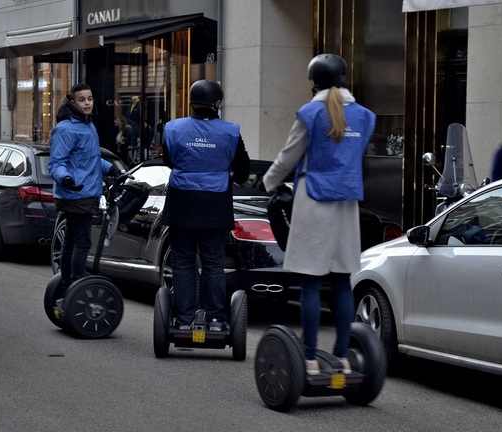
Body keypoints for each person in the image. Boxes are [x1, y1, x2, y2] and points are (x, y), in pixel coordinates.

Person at [261, 54, 376, 375]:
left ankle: (309, 359)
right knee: (342, 283)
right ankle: (341, 357)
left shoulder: (310, 112)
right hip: (347, 205)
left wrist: (267, 182)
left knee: (310, 284)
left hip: (314, 201)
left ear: (314, 81)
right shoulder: (365, 117)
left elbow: (288, 157)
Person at [161, 79, 250, 332]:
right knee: (213, 262)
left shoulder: (173, 128)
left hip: (182, 203)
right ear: (217, 103)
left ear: (191, 101)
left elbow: (169, 160)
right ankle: (215, 320)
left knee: (183, 262)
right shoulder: (230, 131)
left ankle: (184, 318)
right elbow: (243, 172)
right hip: (214, 205)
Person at [48, 83, 118, 302]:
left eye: (90, 98)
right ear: (72, 102)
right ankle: (76, 281)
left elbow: (89, 159)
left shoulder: (88, 125)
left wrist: (110, 168)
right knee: (83, 242)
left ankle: (69, 280)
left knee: (71, 239)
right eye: (82, 99)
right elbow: (56, 163)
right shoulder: (66, 128)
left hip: (86, 191)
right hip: (76, 192)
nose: (87, 103)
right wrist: (66, 179)